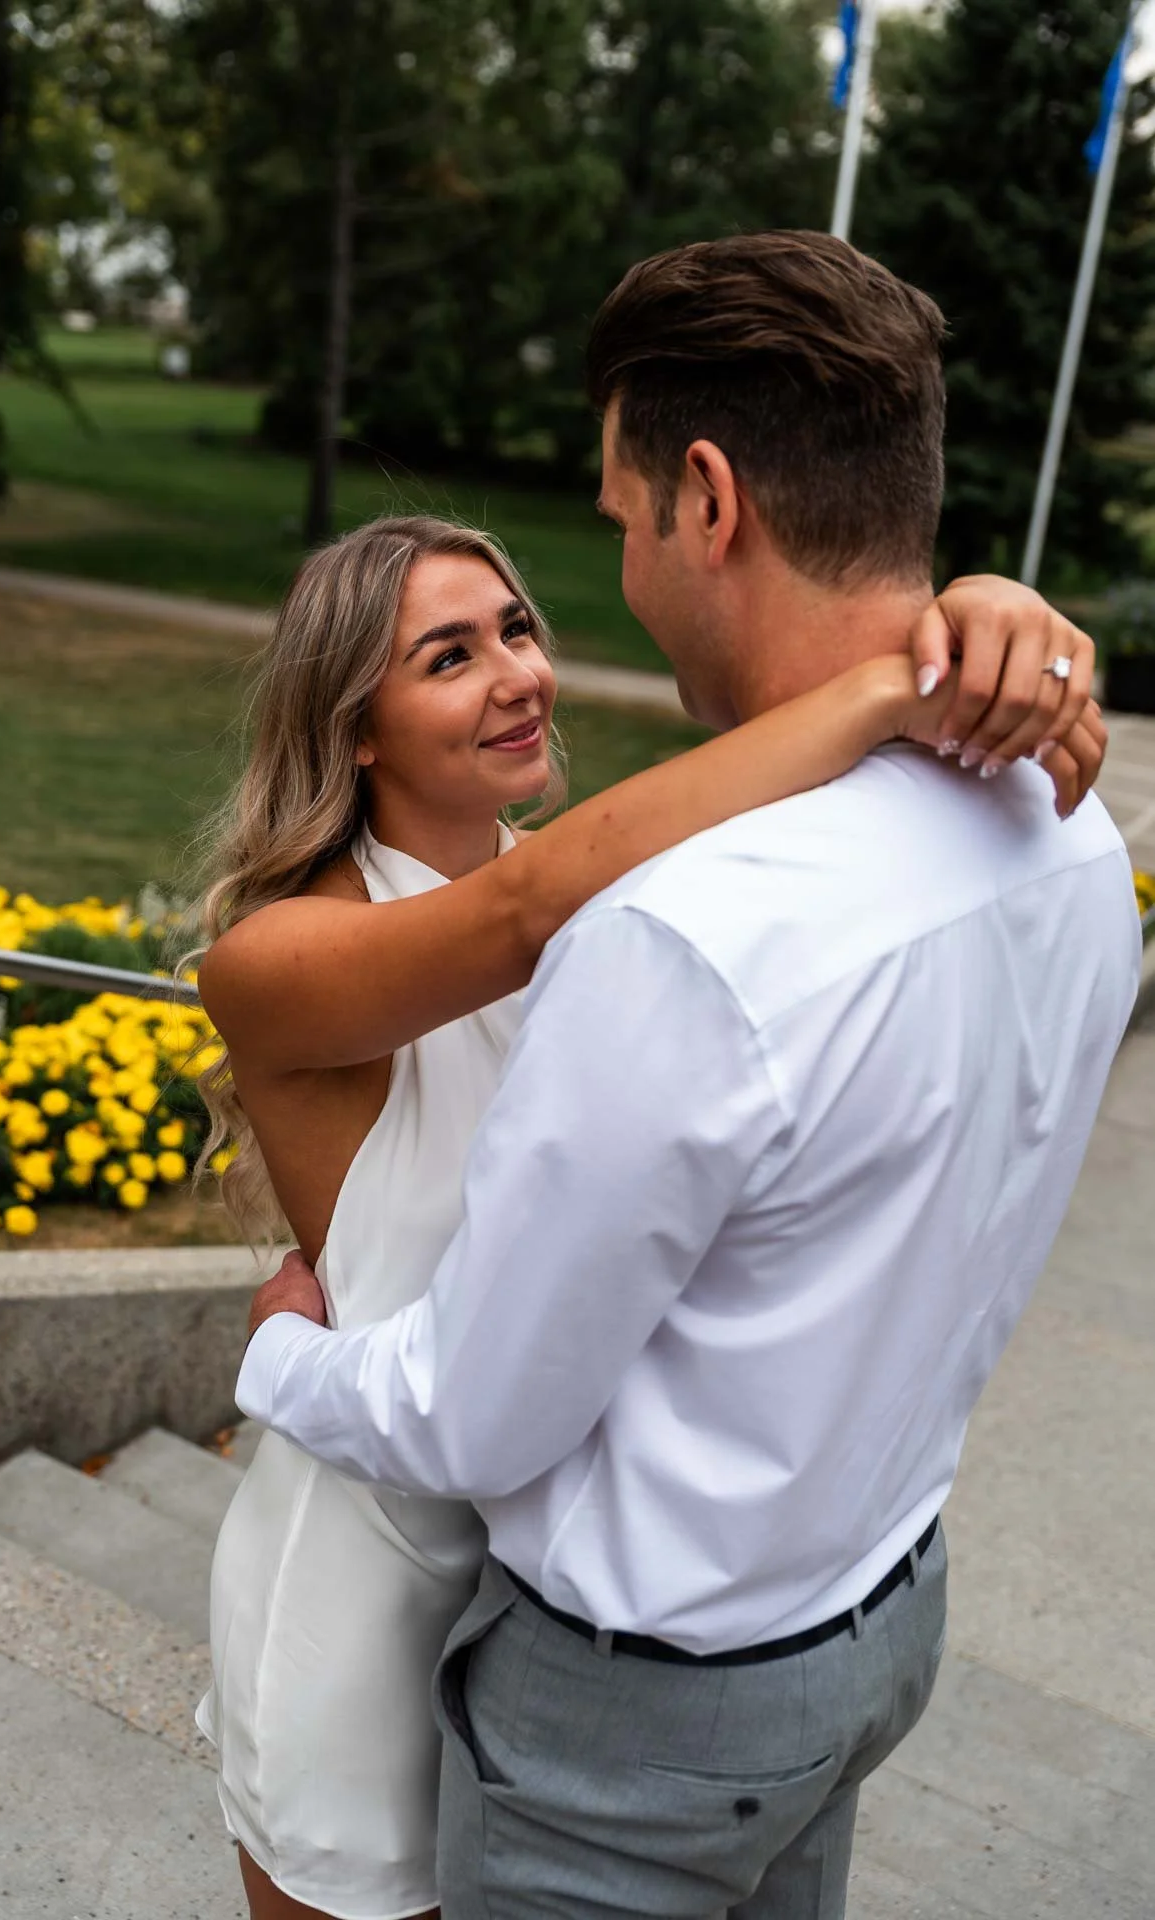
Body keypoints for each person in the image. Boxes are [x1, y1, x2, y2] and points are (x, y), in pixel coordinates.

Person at [231, 233, 1138, 1920]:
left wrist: (274, 1357)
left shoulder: (675, 930)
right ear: (349, 719)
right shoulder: (1068, 837)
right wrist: (920, 655)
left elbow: (475, 1405)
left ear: (704, 499)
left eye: (607, 535)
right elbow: (528, 903)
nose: (540, 652)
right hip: (801, 1615)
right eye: (449, 652)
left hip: (624, 1686)